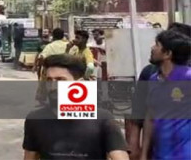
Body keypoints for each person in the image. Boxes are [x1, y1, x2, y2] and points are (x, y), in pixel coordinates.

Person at [22, 54, 129, 160]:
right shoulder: (36, 119)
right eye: (49, 80)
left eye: (61, 80)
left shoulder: (102, 119)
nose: (53, 86)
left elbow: (120, 156)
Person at [126, 22, 191, 159]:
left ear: (168, 53)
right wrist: (142, 153)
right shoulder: (152, 79)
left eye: (157, 45)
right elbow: (147, 117)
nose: (152, 48)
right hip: (158, 155)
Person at [33, 28, 69, 103]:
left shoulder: (50, 46)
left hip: (52, 71)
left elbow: (41, 57)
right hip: (67, 71)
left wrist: (42, 66)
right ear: (63, 36)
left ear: (53, 36)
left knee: (49, 87)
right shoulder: (69, 45)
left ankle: (48, 101)